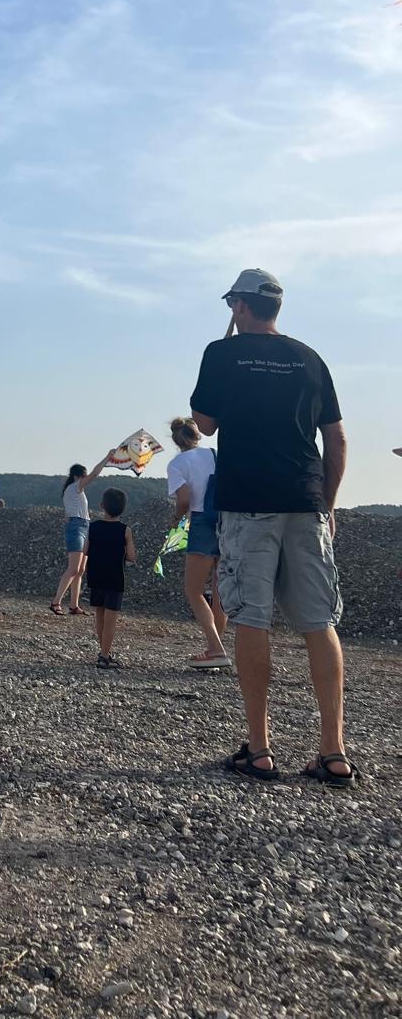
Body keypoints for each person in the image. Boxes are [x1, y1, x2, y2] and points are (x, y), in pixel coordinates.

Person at [190, 268, 355, 785]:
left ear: (239, 306)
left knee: (252, 619)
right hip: (305, 502)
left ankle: (259, 749)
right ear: (277, 309)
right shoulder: (310, 358)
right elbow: (337, 439)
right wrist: (326, 504)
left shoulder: (222, 353)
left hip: (248, 504)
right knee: (318, 622)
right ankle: (333, 752)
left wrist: (225, 347)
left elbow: (204, 423)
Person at [167, 417, 229, 669]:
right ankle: (216, 649)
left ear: (175, 440)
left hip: (202, 522)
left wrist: (175, 520)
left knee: (193, 590)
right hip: (226, 521)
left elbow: (184, 499)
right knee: (219, 590)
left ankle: (215, 649)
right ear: (197, 436)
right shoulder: (214, 454)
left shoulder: (177, 464)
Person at [50, 455, 111, 616]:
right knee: (73, 568)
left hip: (85, 526)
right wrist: (107, 458)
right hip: (76, 527)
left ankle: (74, 605)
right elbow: (95, 474)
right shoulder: (74, 487)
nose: (86, 479)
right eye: (84, 476)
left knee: (80, 569)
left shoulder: (76, 490)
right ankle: (56, 602)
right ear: (78, 476)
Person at [86, 486, 136, 668]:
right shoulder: (125, 530)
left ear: (102, 506)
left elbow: (85, 550)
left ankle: (103, 651)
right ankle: (105, 655)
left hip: (96, 575)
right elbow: (131, 556)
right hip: (115, 578)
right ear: (123, 508)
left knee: (99, 614)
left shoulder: (93, 527)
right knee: (111, 619)